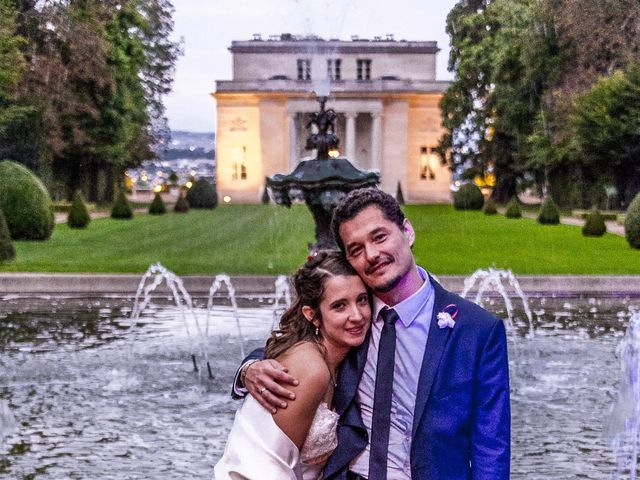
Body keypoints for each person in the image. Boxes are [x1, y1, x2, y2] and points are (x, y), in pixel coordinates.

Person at [234, 187, 510, 480]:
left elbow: (490, 446)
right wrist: (248, 368)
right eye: (356, 249)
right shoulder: (352, 316)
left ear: (407, 231)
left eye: (379, 237)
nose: (372, 255)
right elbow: (298, 345)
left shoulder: (477, 330)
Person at [215, 250, 372, 479]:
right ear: (312, 315)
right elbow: (261, 469)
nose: (357, 315)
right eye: (340, 306)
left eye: (362, 300)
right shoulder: (311, 369)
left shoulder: (340, 356)